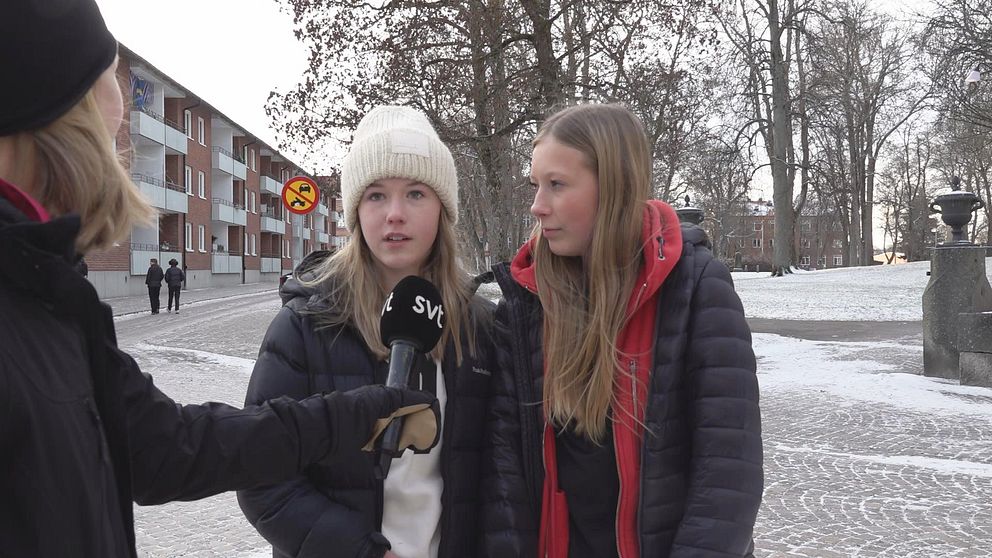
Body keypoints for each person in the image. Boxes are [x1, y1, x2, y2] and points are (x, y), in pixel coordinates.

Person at [0, 2, 439, 556]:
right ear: (61, 121)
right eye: (112, 130)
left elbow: (172, 448)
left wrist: (359, 411)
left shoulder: (51, 293)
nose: (121, 152)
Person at [482, 104, 763, 557]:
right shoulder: (525, 302)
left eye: (557, 185)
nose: (538, 205)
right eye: (536, 185)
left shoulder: (695, 287)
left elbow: (729, 471)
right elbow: (503, 477)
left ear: (612, 186)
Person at [238, 105, 494, 558]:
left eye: (416, 193)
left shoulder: (482, 327)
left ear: (443, 209)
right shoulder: (305, 324)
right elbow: (263, 477)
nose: (395, 214)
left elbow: (499, 474)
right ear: (356, 211)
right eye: (376, 195)